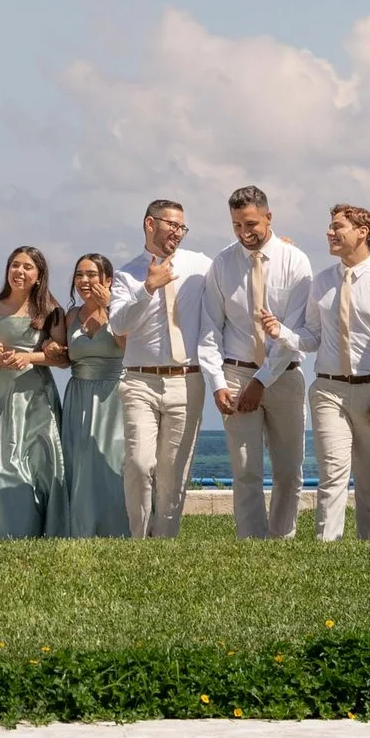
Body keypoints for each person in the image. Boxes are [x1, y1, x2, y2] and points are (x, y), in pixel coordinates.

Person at [198, 186, 316, 540]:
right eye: (236, 225)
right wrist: (218, 383)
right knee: (245, 469)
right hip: (235, 374)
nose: (244, 233)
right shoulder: (222, 263)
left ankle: (282, 539)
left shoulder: (297, 261)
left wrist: (261, 382)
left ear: (269, 216)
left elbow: (293, 332)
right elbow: (209, 328)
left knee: (289, 469)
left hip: (284, 376)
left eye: (250, 223)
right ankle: (250, 540)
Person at [301, 204, 370, 542]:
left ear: (363, 232)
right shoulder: (320, 282)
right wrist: (280, 332)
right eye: (330, 226)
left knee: (369, 476)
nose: (329, 233)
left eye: (338, 226)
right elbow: (311, 337)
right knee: (332, 472)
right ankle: (327, 545)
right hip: (327, 389)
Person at [109, 199, 216, 538]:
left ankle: (165, 541)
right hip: (140, 380)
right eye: (172, 224)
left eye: (182, 227)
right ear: (150, 224)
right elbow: (118, 326)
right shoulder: (127, 274)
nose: (178, 232)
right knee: (140, 464)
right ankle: (139, 539)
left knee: (174, 472)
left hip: (187, 381)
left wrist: (278, 245)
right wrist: (148, 287)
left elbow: (234, 270)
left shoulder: (200, 265)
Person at [0, 245, 68, 540]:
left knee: (42, 465)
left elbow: (63, 359)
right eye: (15, 266)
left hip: (38, 395)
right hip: (2, 392)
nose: (19, 272)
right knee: (1, 464)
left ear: (39, 276)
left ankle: (46, 531)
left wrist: (31, 357)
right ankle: (3, 531)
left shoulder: (51, 310)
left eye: (27, 267)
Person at [59, 254, 131, 538]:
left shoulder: (118, 311)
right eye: (79, 275)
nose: (84, 281)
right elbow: (66, 356)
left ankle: (119, 528)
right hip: (79, 394)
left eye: (91, 274)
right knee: (81, 462)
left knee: (114, 461)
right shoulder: (71, 316)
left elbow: (127, 346)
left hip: (113, 395)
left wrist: (109, 307)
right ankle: (81, 527)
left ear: (108, 280)